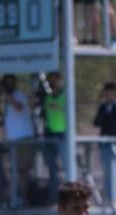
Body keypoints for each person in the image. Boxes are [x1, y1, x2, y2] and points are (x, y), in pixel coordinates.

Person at [1, 74, 36, 207]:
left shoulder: (18, 95)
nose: (8, 86)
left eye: (10, 83)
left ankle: (22, 197)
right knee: (14, 169)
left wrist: (7, 95)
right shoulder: (7, 98)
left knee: (23, 170)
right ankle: (13, 197)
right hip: (13, 139)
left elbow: (19, 107)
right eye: (6, 84)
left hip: (23, 137)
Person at [42, 73, 67, 204]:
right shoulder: (47, 97)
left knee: (66, 165)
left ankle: (70, 194)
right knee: (52, 168)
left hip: (62, 135)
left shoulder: (65, 96)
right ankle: (54, 196)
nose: (53, 84)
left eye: (55, 81)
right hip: (50, 135)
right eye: (50, 81)